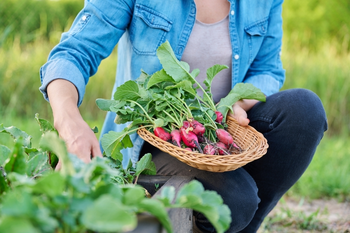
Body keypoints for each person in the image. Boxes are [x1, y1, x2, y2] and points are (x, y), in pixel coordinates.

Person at [39, 0, 328, 232]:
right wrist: (69, 121)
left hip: (217, 134)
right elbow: (74, 52)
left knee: (305, 111)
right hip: (155, 141)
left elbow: (268, 70)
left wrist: (238, 102)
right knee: (235, 201)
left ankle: (244, 228)